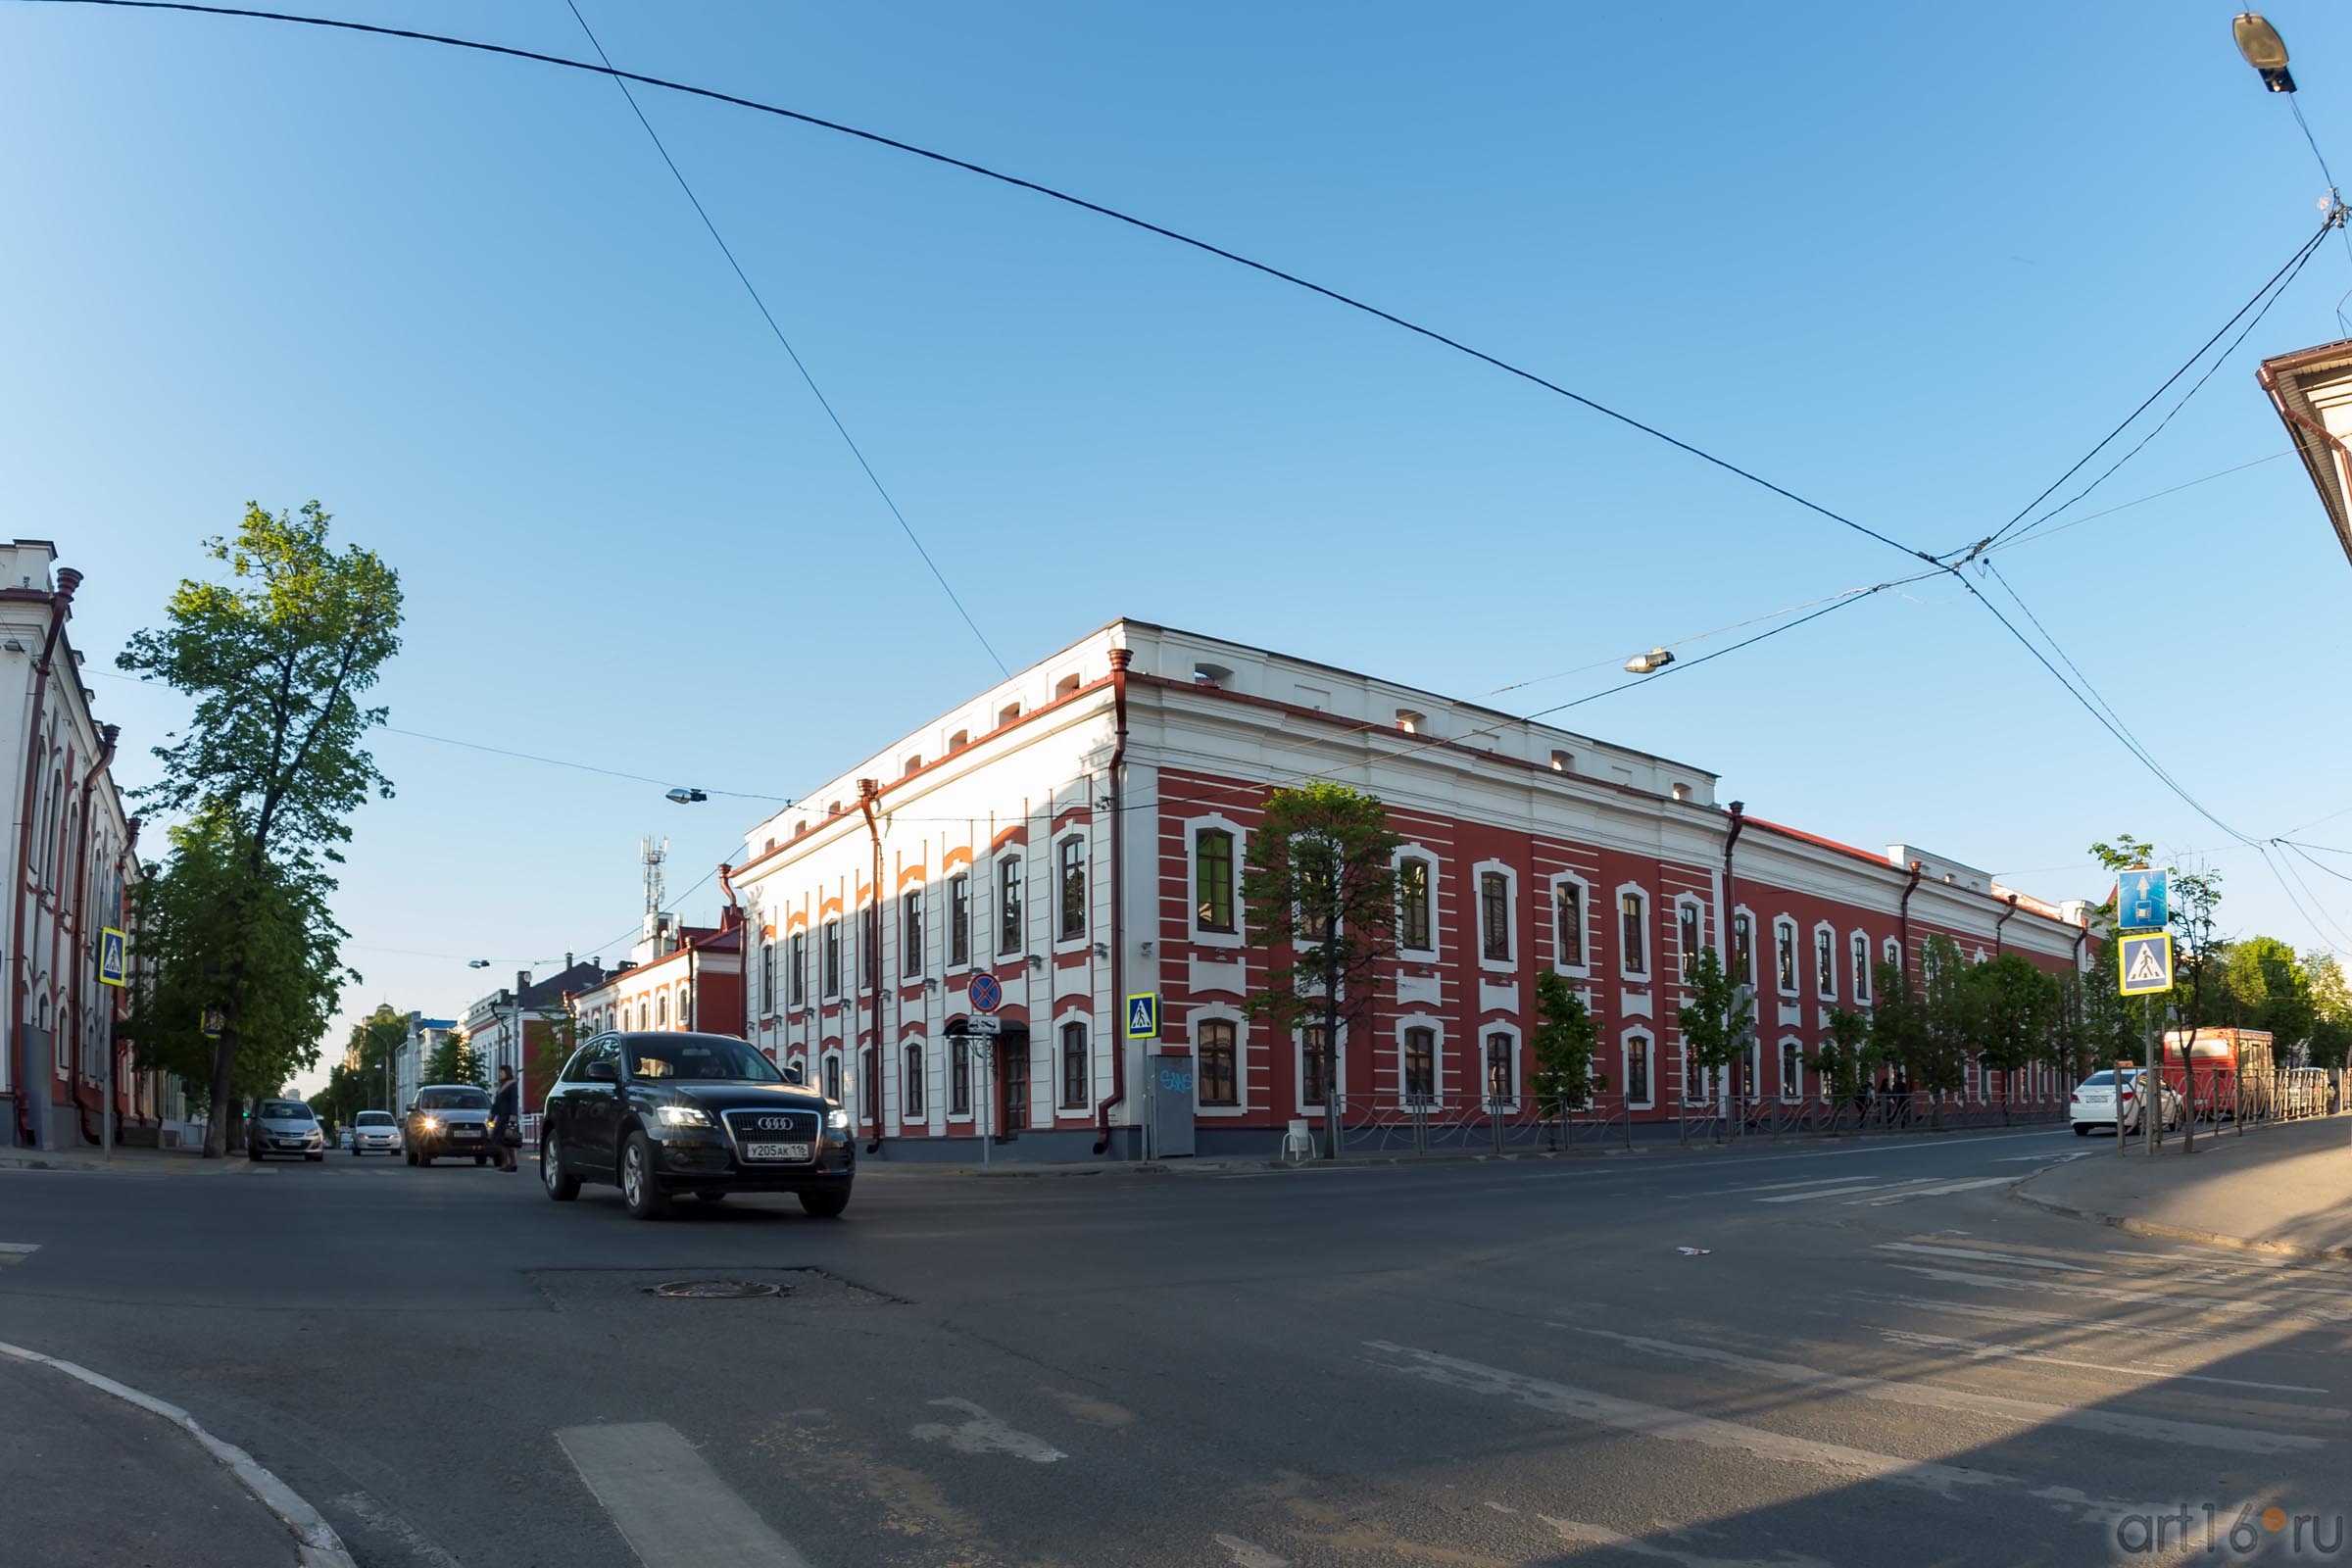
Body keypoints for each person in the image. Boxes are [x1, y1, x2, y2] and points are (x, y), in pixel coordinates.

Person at [491, 1064, 521, 1173]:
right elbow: (496, 1103)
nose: (500, 1074)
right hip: (501, 1117)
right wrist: (492, 1115)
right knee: (505, 1141)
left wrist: (513, 1119)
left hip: (509, 1118)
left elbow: (514, 1102)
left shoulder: (512, 1085)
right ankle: (511, 1164)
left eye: (501, 1072)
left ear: (507, 1073)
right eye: (499, 1072)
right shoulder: (501, 1087)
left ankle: (507, 1163)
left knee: (506, 1141)